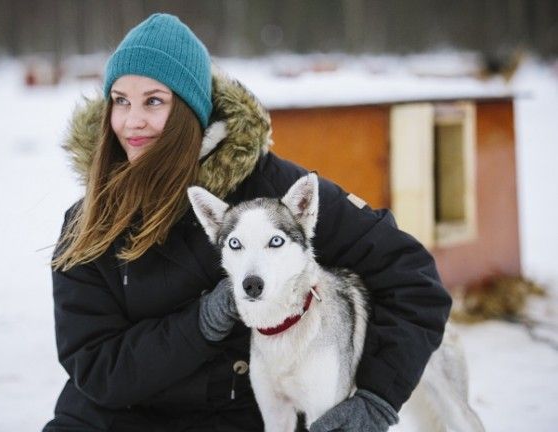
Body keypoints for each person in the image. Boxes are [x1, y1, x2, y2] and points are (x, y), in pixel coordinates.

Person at [43, 13, 452, 432]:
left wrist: (377, 396)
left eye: (154, 101)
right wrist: (202, 322)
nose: (132, 121)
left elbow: (413, 281)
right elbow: (95, 367)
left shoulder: (272, 190)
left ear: (190, 111)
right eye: (120, 99)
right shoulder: (91, 220)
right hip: (110, 421)